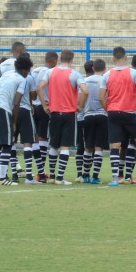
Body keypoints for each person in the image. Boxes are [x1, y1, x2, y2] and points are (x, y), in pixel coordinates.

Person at [99, 47, 136, 187]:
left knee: (115, 145)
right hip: (129, 112)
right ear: (126, 58)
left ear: (113, 59)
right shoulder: (133, 73)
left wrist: (108, 109)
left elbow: (101, 97)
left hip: (113, 112)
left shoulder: (107, 75)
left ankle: (115, 178)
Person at [37, 49, 87, 185]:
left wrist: (44, 105)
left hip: (54, 113)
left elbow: (40, 88)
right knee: (65, 146)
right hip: (69, 114)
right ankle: (60, 177)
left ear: (59, 59)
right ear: (72, 60)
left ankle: (52, 176)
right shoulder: (74, 74)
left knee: (53, 144)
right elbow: (85, 91)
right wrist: (80, 106)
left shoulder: (50, 72)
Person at [0, 54, 33, 186]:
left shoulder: (6, 74)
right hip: (2, 109)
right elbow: (17, 102)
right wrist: (13, 122)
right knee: (7, 143)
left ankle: (0, 177)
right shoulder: (22, 79)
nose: (28, 73)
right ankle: (1, 178)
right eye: (28, 70)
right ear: (24, 70)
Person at [13, 52, 44, 185]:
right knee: (29, 142)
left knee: (12, 142)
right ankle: (30, 177)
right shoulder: (29, 78)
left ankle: (14, 174)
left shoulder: (10, 76)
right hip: (24, 110)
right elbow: (33, 96)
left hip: (12, 110)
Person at [31, 50, 58, 182]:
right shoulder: (50, 72)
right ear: (52, 61)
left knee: (35, 139)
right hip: (45, 106)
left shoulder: (35, 71)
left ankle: (39, 171)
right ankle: (40, 172)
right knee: (43, 139)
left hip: (33, 106)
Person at [82, 58, 108, 184]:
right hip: (102, 115)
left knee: (88, 147)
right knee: (99, 148)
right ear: (105, 68)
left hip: (87, 115)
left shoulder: (85, 81)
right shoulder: (105, 80)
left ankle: (85, 175)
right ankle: (95, 176)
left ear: (93, 69)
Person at [74, 60, 93, 182]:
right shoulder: (100, 80)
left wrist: (80, 108)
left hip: (80, 117)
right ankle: (88, 173)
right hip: (90, 116)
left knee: (81, 146)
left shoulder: (82, 81)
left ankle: (79, 173)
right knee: (91, 146)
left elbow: (78, 100)